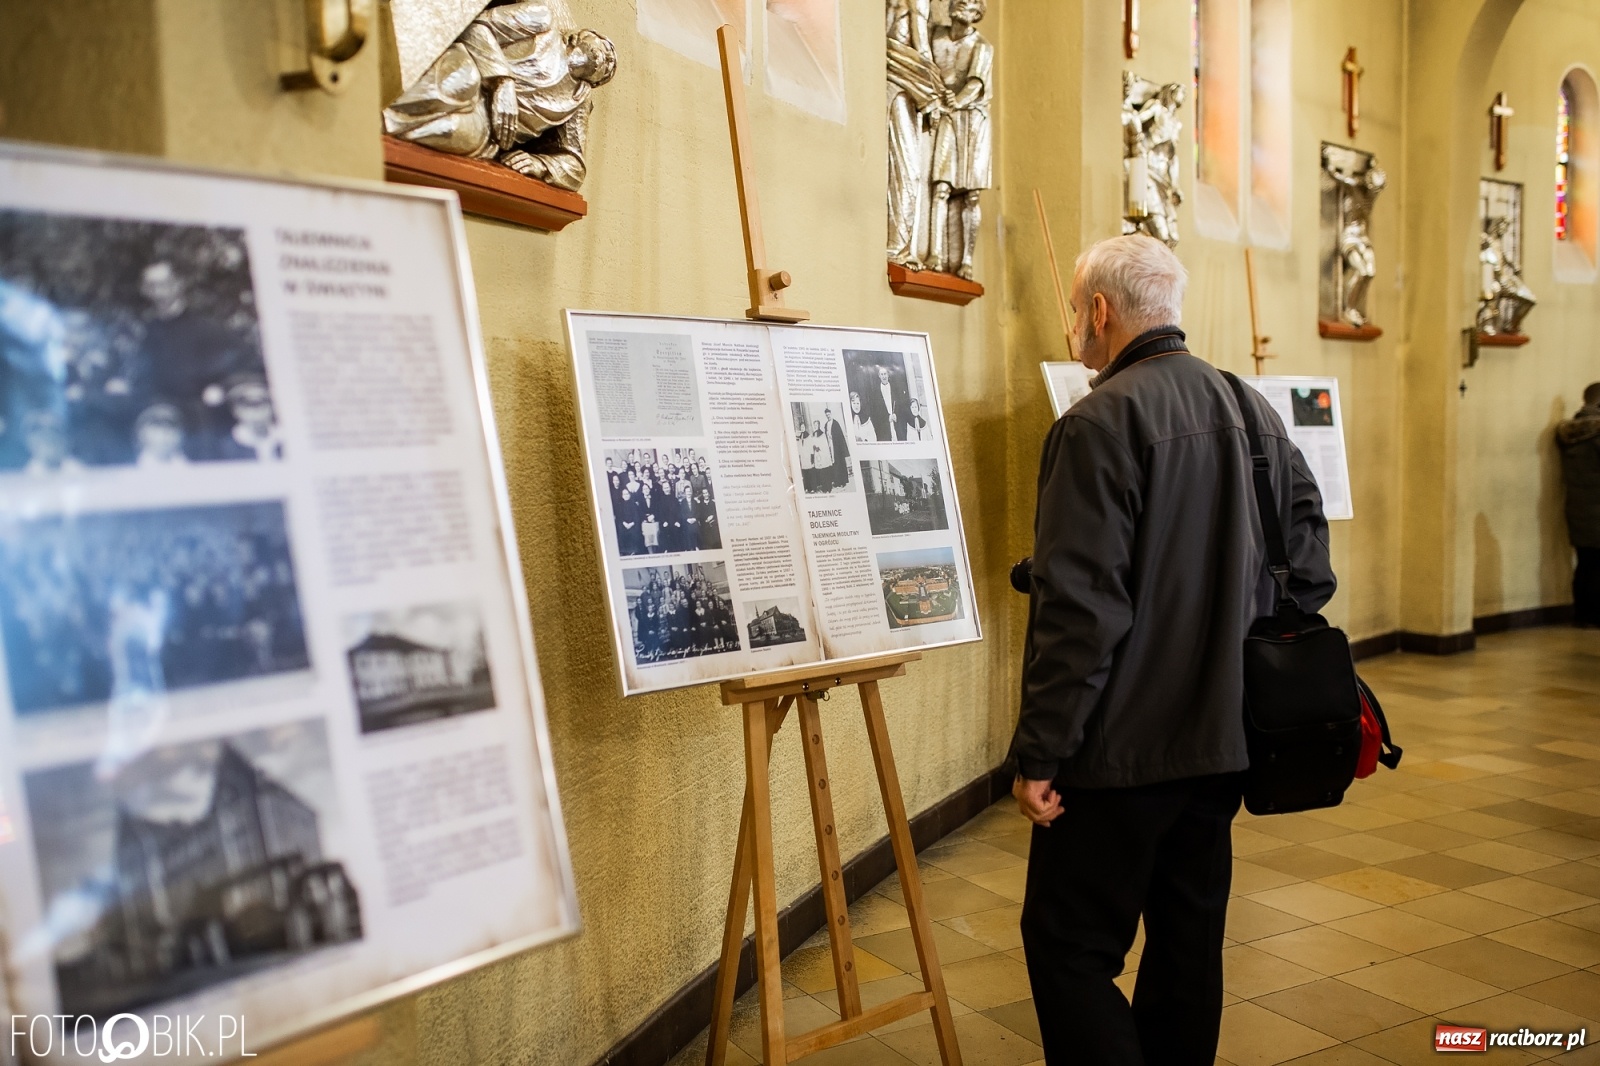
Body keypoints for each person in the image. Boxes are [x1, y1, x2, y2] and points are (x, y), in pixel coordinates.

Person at [1012, 235, 1334, 1066]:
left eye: (1076, 314)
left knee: (1069, 947)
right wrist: (1239, 628)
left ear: (1099, 311)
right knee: (1187, 949)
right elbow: (1310, 565)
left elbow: (1082, 614)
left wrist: (1043, 750)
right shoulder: (1248, 405)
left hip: (1121, 749)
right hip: (1227, 738)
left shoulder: (1097, 423)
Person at [1558, 383, 1600, 627]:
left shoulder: (1569, 432)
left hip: (1577, 508)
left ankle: (1582, 615)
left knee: (1585, 563)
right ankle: (1595, 615)